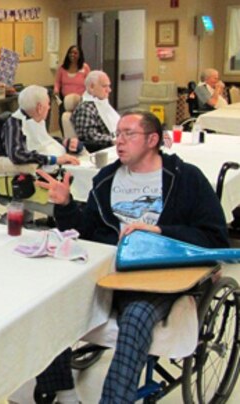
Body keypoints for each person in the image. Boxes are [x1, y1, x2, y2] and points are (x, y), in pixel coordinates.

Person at [35, 111, 228, 403]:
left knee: (136, 315)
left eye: (129, 134)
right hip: (109, 270)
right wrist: (65, 205)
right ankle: (62, 390)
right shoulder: (105, 179)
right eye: (118, 134)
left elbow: (214, 237)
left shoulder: (185, 179)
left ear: (152, 139)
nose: (119, 141)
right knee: (47, 296)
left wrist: (159, 231)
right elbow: (84, 232)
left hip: (157, 275)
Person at [0, 85, 81, 169]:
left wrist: (66, 143)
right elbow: (17, 155)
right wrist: (54, 159)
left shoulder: (35, 118)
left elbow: (42, 139)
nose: (49, 108)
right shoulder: (14, 123)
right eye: (48, 104)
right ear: (39, 108)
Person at [72, 70, 119, 153]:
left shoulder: (102, 103)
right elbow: (89, 136)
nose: (109, 90)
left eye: (109, 86)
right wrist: (113, 140)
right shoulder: (85, 108)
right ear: (92, 87)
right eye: (105, 86)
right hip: (102, 151)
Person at [54, 45, 90, 131]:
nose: (72, 55)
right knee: (63, 119)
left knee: (78, 120)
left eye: (75, 53)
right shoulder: (62, 68)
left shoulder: (85, 68)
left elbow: (89, 82)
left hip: (80, 100)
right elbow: (57, 81)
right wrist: (56, 89)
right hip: (65, 100)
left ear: (80, 55)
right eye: (71, 52)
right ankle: (65, 137)